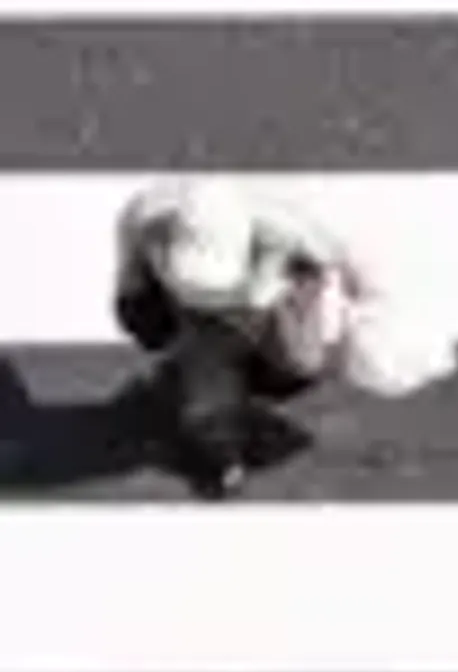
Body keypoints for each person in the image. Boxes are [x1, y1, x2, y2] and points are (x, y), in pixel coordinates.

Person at [110, 179, 397, 497]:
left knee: (299, 365)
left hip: (276, 288)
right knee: (208, 378)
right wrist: (139, 305)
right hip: (200, 314)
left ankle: (228, 378)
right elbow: (130, 273)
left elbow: (358, 262)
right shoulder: (146, 216)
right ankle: (219, 445)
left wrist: (371, 312)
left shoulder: (292, 226)